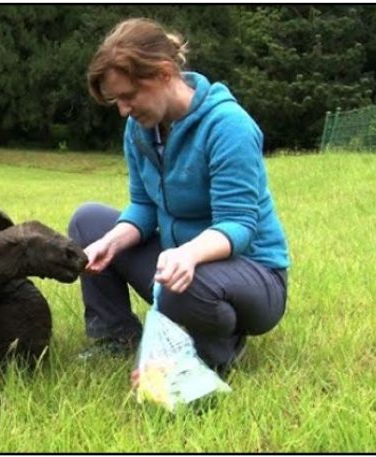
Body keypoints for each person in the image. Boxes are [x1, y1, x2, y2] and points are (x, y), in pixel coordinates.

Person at [67, 18, 290, 376]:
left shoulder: (228, 126)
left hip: (254, 276)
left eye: (128, 96)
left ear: (164, 73)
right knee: (88, 222)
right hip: (182, 263)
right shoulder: (139, 129)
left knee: (180, 284)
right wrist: (110, 242)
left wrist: (187, 255)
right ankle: (117, 338)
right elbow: (143, 206)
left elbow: (239, 224)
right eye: (116, 101)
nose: (123, 110)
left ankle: (215, 353)